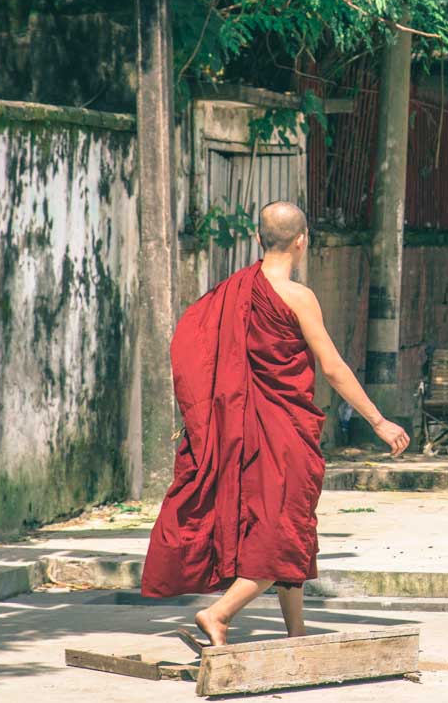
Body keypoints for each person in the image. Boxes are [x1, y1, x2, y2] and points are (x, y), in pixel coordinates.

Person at [142, 201, 410, 645]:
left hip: (244, 434)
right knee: (283, 535)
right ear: (302, 241)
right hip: (283, 436)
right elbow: (332, 367)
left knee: (289, 530)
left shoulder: (232, 291)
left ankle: (297, 634)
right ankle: (219, 613)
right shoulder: (298, 297)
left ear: (258, 238)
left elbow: (193, 350)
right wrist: (378, 420)